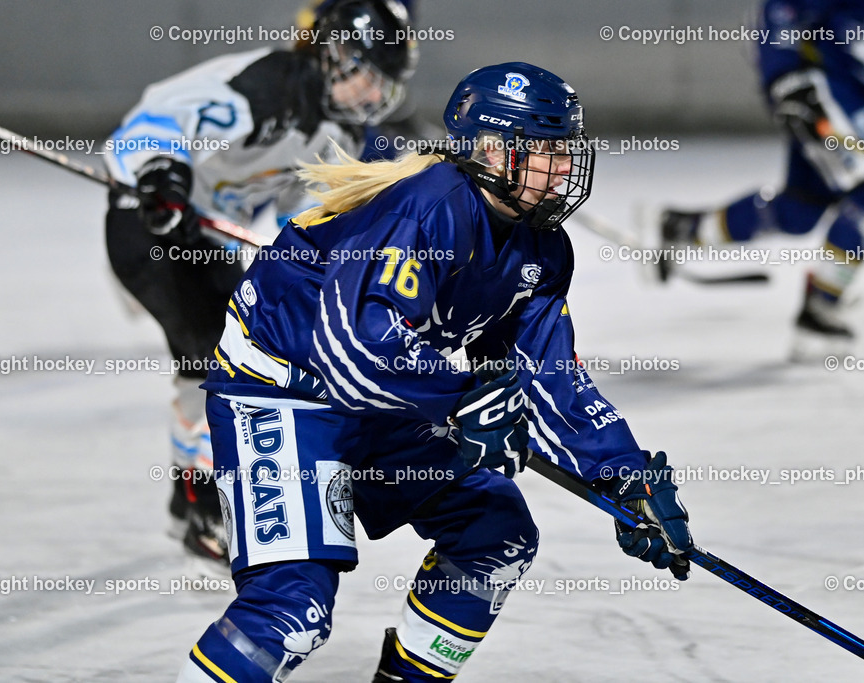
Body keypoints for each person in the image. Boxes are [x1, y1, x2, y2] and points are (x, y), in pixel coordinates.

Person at [177, 62, 694, 683]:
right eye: (546, 151)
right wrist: (462, 402)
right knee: (294, 607)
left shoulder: (544, 247)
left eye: (567, 152)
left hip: (379, 397)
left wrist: (623, 475)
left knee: (494, 535)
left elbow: (548, 371)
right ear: (494, 149)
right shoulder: (429, 209)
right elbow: (359, 348)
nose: (562, 169)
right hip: (281, 394)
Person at [101, 0, 416, 569]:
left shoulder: (334, 127)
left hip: (207, 241)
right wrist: (163, 172)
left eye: (382, 85)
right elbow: (156, 118)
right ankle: (201, 507)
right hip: (149, 225)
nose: (374, 97)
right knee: (212, 354)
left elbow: (308, 206)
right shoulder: (268, 86)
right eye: (370, 77)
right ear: (337, 55)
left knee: (229, 354)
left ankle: (188, 499)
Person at [656, 0, 864, 358]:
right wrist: (784, 77)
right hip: (822, 86)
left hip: (854, 98)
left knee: (800, 210)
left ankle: (683, 229)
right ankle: (820, 310)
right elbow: (782, 7)